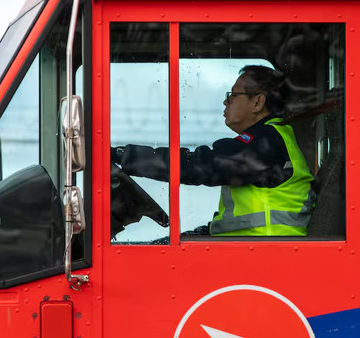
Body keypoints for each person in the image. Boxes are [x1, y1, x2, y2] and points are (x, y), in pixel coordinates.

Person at [111, 65, 314, 236]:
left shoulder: (267, 143)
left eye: (232, 95)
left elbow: (201, 165)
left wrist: (122, 156)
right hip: (254, 249)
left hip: (265, 256)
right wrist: (205, 232)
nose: (226, 102)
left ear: (257, 102)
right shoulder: (270, 139)